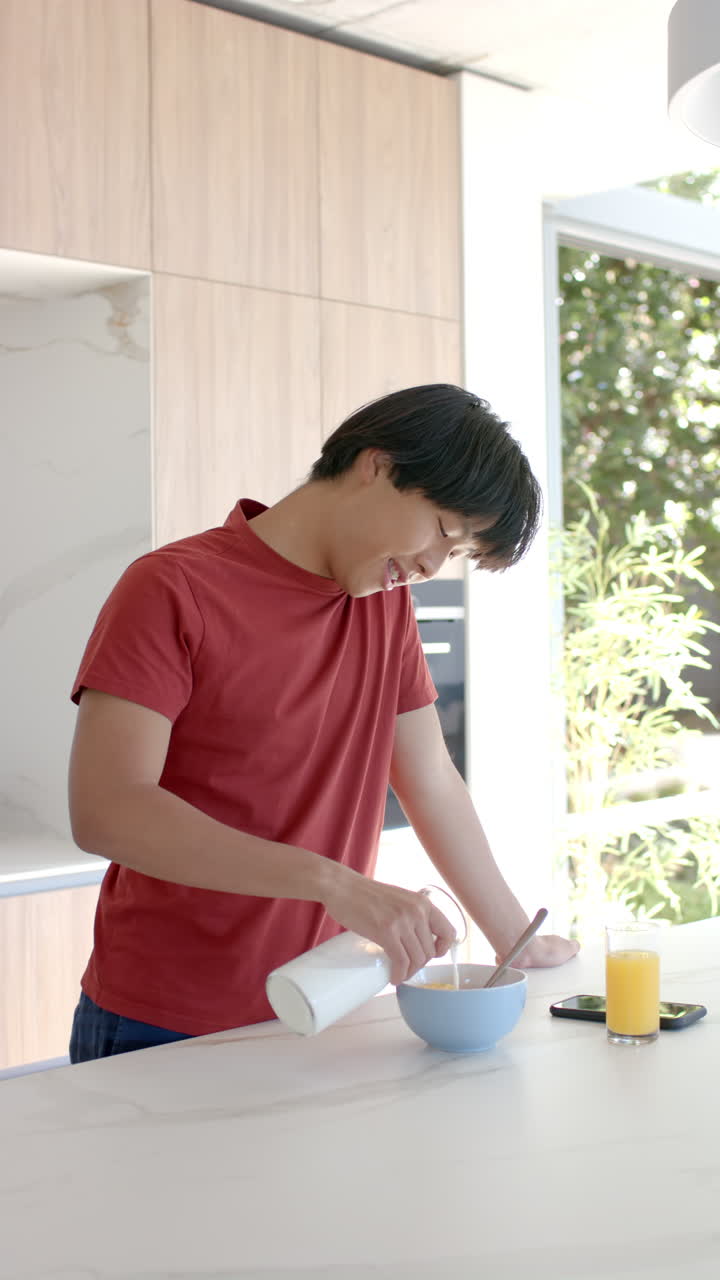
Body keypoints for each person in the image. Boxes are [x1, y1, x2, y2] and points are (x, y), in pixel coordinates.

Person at [67, 383, 578, 1062]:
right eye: (444, 533)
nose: (430, 567)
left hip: (324, 1008)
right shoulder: (172, 589)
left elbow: (429, 782)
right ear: (378, 466)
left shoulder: (384, 607)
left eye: (453, 557)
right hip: (166, 1021)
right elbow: (106, 810)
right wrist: (334, 884)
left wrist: (518, 938)